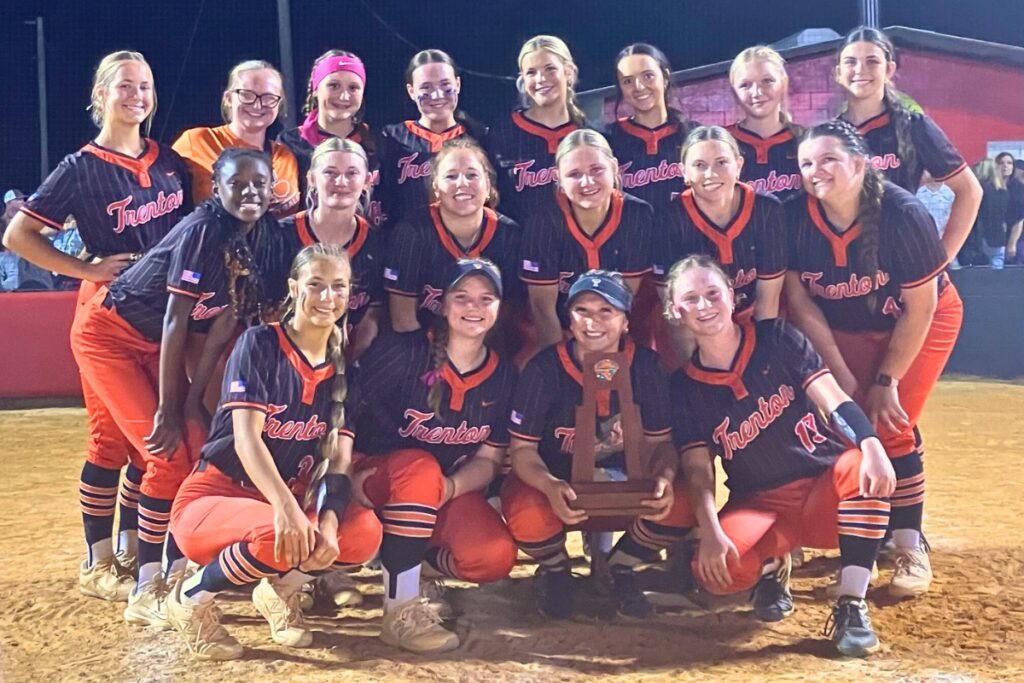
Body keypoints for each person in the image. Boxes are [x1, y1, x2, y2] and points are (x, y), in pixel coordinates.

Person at [2, 50, 191, 602]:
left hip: (163, 315)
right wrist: (84, 268)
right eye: (125, 86)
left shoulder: (168, 159)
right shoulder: (79, 166)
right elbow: (17, 236)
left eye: (146, 87)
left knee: (136, 442)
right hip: (106, 312)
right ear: (100, 95)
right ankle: (98, 561)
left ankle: (133, 546)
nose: (137, 96)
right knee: (114, 441)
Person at [70, 148, 286, 627]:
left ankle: (152, 564)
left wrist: (192, 402)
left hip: (153, 343)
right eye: (237, 183)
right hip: (110, 335)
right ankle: (147, 587)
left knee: (190, 442)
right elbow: (175, 319)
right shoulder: (204, 229)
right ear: (216, 186)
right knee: (164, 452)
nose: (250, 191)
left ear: (273, 187)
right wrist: (170, 409)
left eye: (260, 183)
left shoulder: (260, 235)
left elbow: (222, 322)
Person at [665, 254, 895, 657]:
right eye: (691, 299)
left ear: (732, 296)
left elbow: (833, 400)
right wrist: (710, 531)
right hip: (761, 503)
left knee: (863, 469)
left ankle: (851, 604)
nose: (704, 306)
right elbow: (699, 471)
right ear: (675, 311)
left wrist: (871, 443)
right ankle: (773, 564)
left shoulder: (776, 338)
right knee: (717, 573)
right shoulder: (683, 387)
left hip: (822, 490)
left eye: (712, 293)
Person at [165, 243, 383, 660]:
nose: (327, 297)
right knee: (280, 531)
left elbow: (339, 462)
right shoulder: (259, 344)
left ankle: (280, 591)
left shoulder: (345, 371)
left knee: (362, 533)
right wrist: (286, 505)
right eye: (315, 285)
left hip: (287, 505)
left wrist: (331, 523)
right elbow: (247, 439)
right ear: (293, 287)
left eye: (338, 286)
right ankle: (189, 598)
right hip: (217, 496)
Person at [785, 120, 962, 598]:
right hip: (845, 326)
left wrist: (887, 379)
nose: (815, 171)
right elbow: (801, 305)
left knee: (889, 417)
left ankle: (909, 545)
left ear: (860, 164)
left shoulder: (902, 213)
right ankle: (867, 536)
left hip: (922, 318)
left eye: (828, 160)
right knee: (850, 420)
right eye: (806, 163)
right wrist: (840, 377)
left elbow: (921, 307)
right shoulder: (794, 216)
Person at [502, 270, 692, 620]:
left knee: (683, 498)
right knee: (524, 509)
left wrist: (663, 477)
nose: (593, 322)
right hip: (560, 485)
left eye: (607, 311)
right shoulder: (543, 369)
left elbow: (661, 443)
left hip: (627, 484)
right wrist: (549, 484)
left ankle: (620, 567)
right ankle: (557, 571)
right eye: (582, 311)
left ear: (625, 322)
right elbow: (523, 451)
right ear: (569, 319)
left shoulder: (647, 366)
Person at [350, 258, 518, 653]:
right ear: (442, 305)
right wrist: (345, 473)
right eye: (462, 297)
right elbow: (341, 411)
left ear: (499, 308)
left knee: (493, 557)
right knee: (419, 468)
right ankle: (400, 611)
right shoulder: (405, 352)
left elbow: (489, 460)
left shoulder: (505, 374)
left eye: (485, 298)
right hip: (375, 481)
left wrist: (451, 487)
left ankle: (407, 559)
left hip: (439, 492)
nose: (473, 307)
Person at [835, 26, 982, 262]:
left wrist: (939, 260)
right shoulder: (829, 135)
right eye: (851, 62)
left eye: (872, 61)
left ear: (889, 69)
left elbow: (970, 191)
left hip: (900, 259)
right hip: (842, 265)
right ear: (838, 72)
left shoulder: (914, 126)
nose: (860, 70)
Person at [655, 125, 786, 366]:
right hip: (695, 327)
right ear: (683, 172)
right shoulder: (667, 219)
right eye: (699, 165)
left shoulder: (767, 209)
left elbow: (768, 304)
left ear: (739, 165)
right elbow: (677, 316)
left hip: (750, 321)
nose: (710, 174)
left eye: (721, 162)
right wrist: (696, 376)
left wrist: (762, 366)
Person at [520, 129, 654, 351]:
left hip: (617, 333)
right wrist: (562, 367)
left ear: (614, 168)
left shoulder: (637, 214)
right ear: (559, 178)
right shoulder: (543, 221)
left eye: (596, 170)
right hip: (561, 334)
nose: (587, 182)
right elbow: (543, 309)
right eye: (574, 174)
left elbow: (622, 302)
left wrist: (606, 361)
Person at [385, 138, 520, 339]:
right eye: (451, 176)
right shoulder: (411, 232)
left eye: (472, 175)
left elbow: (506, 315)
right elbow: (403, 320)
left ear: (488, 184)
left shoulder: (508, 234)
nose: (462, 183)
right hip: (420, 347)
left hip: (485, 345)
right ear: (436, 186)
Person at [280, 138, 383, 360]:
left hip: (348, 359)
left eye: (351, 173)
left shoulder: (378, 243)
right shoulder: (280, 235)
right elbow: (269, 313)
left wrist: (345, 368)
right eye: (330, 172)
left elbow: (371, 318)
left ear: (367, 180)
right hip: (284, 357)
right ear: (312, 178)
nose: (341, 181)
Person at [173, 60, 300, 217]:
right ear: (228, 98)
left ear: (279, 104)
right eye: (246, 95)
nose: (258, 105)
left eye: (268, 97)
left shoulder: (285, 156)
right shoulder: (197, 141)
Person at [377, 49, 484, 229]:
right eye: (426, 88)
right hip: (407, 244)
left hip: (468, 242)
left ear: (458, 84)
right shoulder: (392, 138)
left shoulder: (479, 136)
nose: (437, 95)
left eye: (445, 85)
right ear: (411, 91)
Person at [485, 35, 584, 226]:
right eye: (531, 72)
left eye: (550, 69)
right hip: (520, 250)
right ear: (522, 79)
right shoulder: (501, 134)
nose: (541, 79)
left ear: (569, 72)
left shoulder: (586, 135)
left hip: (580, 251)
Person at [277, 50, 383, 227]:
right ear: (316, 89)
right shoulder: (291, 142)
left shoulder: (378, 141)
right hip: (309, 248)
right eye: (334, 85)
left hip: (368, 247)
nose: (343, 95)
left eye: (353, 87)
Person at [606, 43, 692, 209]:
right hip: (631, 234)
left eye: (648, 76)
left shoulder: (694, 136)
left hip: (686, 234)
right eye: (628, 81)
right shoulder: (608, 139)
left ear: (665, 77)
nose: (638, 87)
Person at [726, 46, 803, 202]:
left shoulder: (806, 141)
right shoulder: (723, 143)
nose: (757, 93)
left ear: (784, 84)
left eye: (767, 81)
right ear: (734, 92)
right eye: (745, 85)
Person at [970, 159, 1010, 269]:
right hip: (999, 236)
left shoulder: (979, 190)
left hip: (981, 236)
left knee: (980, 272)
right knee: (997, 266)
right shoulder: (1004, 192)